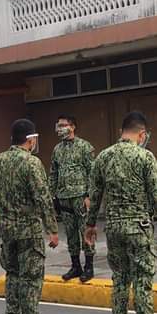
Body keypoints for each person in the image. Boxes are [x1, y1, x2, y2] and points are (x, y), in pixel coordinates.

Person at [85, 111, 157, 314]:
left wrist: (90, 224)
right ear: (142, 134)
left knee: (119, 281)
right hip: (138, 228)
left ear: (121, 132)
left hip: (114, 228)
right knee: (142, 282)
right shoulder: (145, 157)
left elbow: (94, 196)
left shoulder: (103, 158)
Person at [0, 119, 59, 314]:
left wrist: (5, 217)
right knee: (31, 276)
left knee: (13, 274)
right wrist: (52, 229)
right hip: (29, 228)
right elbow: (43, 198)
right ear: (30, 140)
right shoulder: (31, 163)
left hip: (7, 228)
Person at [49, 115, 96, 282]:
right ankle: (75, 265)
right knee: (70, 234)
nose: (60, 128)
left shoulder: (84, 147)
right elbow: (53, 173)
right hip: (64, 198)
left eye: (64, 125)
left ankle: (89, 267)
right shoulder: (57, 149)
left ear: (73, 127)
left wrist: (90, 196)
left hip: (80, 197)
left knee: (86, 232)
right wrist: (52, 195)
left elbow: (93, 173)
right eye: (58, 125)